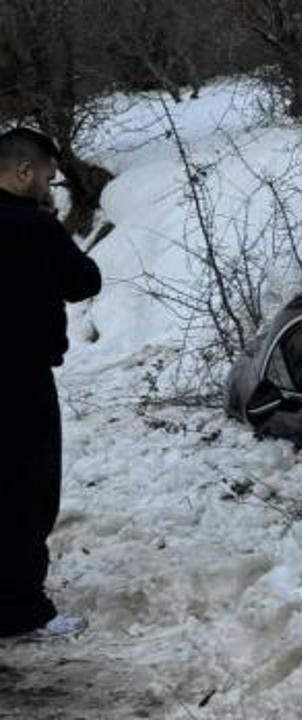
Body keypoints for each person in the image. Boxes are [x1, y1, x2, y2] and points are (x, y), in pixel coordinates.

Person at [0, 127, 101, 639]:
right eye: (47, 176)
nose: (49, 186)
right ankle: (21, 610)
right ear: (23, 172)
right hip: (18, 382)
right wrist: (51, 227)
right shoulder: (33, 227)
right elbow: (85, 281)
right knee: (26, 490)